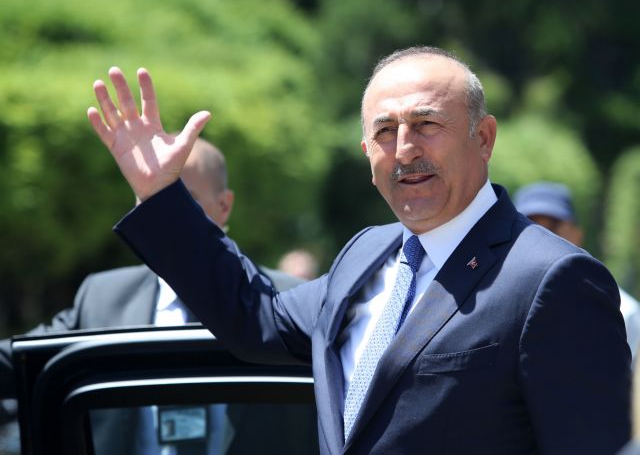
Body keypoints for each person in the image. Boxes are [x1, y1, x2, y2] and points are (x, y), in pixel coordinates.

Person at [88, 46, 631, 454]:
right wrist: (161, 196)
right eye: (385, 131)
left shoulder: (552, 278)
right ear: (367, 152)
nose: (405, 149)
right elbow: (255, 316)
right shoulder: (367, 253)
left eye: (426, 124)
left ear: (483, 138)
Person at [0, 137, 307, 454]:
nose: (164, 215)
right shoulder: (104, 297)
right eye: (150, 199)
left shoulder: (284, 299)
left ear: (224, 205)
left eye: (182, 202)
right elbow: (21, 362)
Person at [514, 181, 640, 359]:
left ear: (577, 234)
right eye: (529, 226)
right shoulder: (493, 306)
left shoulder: (623, 312)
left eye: (553, 227)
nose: (541, 237)